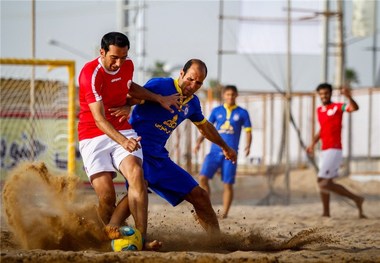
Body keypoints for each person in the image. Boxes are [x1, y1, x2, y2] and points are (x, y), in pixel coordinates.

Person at [108, 59, 237, 238]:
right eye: (190, 79)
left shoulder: (192, 103)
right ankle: (113, 228)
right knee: (140, 186)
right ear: (181, 74)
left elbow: (204, 126)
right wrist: (127, 105)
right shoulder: (161, 84)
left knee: (200, 196)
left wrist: (225, 146)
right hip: (137, 149)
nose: (193, 85)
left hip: (159, 157)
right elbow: (134, 95)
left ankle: (217, 241)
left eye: (198, 82)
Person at [78, 31, 180, 250]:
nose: (119, 63)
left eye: (123, 57)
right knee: (106, 196)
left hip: (123, 129)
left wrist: (158, 98)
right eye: (114, 57)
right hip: (93, 135)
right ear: (102, 52)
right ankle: (110, 234)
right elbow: (99, 119)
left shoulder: (127, 65)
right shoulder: (90, 74)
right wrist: (123, 141)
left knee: (137, 176)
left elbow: (130, 87)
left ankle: (140, 239)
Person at [306, 83, 366, 218]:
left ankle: (355, 198)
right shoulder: (319, 110)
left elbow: (354, 108)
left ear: (330, 93)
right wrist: (312, 143)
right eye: (321, 94)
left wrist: (349, 97)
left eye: (326, 93)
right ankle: (327, 212)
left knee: (322, 181)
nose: (323, 96)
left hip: (334, 149)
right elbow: (322, 129)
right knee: (327, 183)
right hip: (324, 150)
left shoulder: (338, 107)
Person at [194, 85, 252, 219]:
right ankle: (206, 208)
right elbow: (205, 128)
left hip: (231, 154)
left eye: (232, 94)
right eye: (228, 94)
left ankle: (224, 213)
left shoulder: (243, 113)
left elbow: (249, 131)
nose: (230, 97)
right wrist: (198, 142)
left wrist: (248, 145)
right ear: (223, 96)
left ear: (236, 95)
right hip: (214, 152)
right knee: (202, 177)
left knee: (228, 183)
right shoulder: (216, 111)